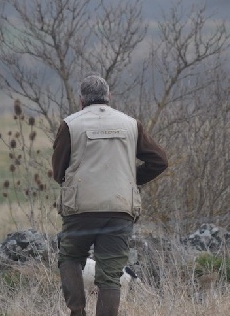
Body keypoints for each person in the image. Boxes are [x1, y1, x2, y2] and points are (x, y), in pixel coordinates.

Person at [52, 75, 168, 316]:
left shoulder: (70, 124)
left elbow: (58, 172)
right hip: (119, 209)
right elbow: (160, 161)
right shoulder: (131, 124)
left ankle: (77, 312)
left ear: (80, 99)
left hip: (81, 209)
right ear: (109, 96)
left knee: (70, 258)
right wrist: (131, 179)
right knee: (110, 275)